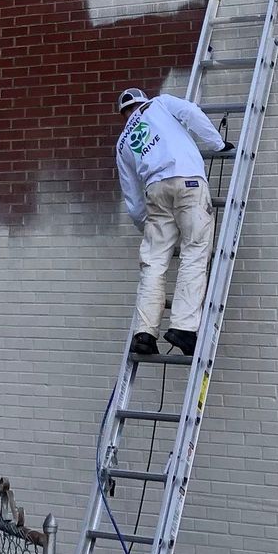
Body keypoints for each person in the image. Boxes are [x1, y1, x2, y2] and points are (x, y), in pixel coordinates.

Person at [115, 86, 229, 356]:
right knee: (195, 251)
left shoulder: (122, 143)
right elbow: (192, 113)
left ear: (124, 114)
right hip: (188, 180)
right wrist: (218, 144)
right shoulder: (160, 103)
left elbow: (132, 200)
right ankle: (183, 328)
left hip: (155, 191)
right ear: (142, 101)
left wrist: (149, 227)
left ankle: (145, 333)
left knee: (153, 261)